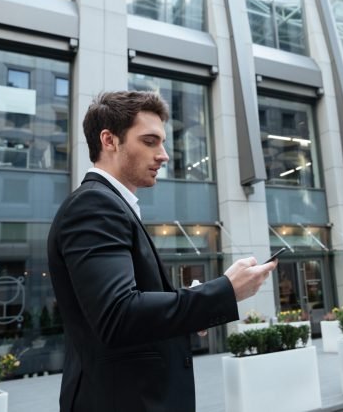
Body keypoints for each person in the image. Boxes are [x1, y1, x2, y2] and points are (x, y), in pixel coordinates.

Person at [47, 91, 276, 411]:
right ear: (109, 140)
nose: (164, 155)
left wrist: (195, 308)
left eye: (162, 142)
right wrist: (224, 291)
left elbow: (128, 309)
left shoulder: (110, 205)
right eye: (150, 141)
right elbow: (118, 315)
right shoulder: (94, 205)